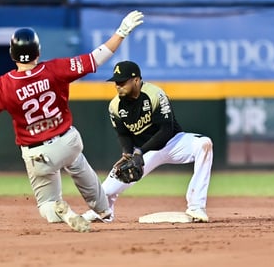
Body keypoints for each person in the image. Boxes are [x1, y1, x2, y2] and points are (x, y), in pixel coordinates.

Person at [0, 11, 144, 233]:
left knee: (47, 206)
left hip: (38, 154)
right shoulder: (55, 70)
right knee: (77, 162)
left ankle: (61, 210)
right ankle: (103, 209)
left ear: (12, 54)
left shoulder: (4, 85)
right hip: (68, 141)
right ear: (38, 51)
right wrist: (121, 32)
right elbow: (96, 57)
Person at [82, 61, 213, 223]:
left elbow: (165, 130)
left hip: (173, 142)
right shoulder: (115, 106)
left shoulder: (155, 94)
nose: (118, 85)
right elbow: (123, 134)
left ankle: (196, 206)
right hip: (144, 151)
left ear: (136, 80)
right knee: (107, 190)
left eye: (122, 82)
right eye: (116, 82)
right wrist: (128, 153)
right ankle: (102, 212)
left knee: (204, 144)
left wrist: (139, 152)